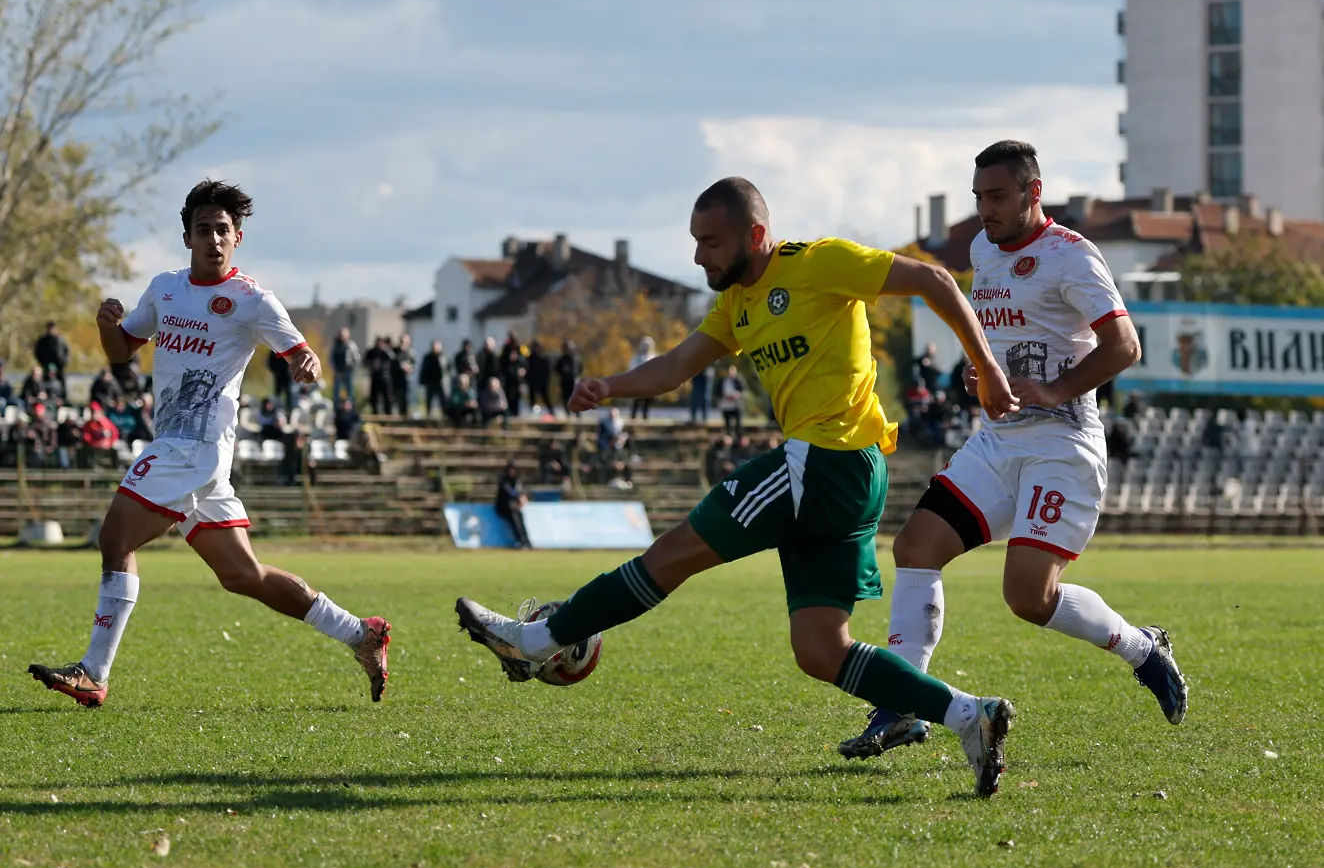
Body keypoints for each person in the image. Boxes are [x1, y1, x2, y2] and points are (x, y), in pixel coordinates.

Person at [456, 175, 1021, 797]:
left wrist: (987, 367)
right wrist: (610, 385)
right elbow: (676, 367)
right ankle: (972, 715)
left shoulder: (820, 262)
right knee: (819, 649)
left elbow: (934, 280)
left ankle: (536, 640)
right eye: (696, 242)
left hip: (826, 459)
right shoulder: (736, 304)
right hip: (845, 477)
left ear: (756, 234)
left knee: (673, 554)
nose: (700, 256)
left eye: (712, 242)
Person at [838, 140, 1187, 763]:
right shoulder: (982, 249)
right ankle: (902, 705)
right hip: (1000, 441)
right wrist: (984, 375)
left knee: (1027, 597)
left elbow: (1124, 347)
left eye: (997, 197)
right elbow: (998, 336)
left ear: (1034, 191)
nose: (985, 211)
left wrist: (1053, 387)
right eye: (978, 198)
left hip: (1063, 444)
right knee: (916, 546)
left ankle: (1142, 648)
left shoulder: (1072, 256)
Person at [28, 179, 390, 709]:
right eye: (204, 230)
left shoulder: (252, 300)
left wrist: (305, 362)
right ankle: (363, 633)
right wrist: (108, 326)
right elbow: (121, 352)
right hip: (188, 456)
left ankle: (93, 672)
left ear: (237, 238)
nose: (214, 239)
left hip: (192, 449)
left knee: (115, 539)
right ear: (187, 237)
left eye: (223, 230)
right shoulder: (165, 289)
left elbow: (299, 352)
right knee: (243, 575)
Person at [495, 460, 533, 549]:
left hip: (513, 507)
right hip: (503, 507)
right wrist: (519, 497)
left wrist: (523, 496)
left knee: (520, 518)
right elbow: (509, 493)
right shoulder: (504, 481)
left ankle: (526, 541)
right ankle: (520, 541)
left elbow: (521, 491)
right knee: (515, 518)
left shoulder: (516, 481)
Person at [34, 320, 70, 395]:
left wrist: (64, 361)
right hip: (46, 365)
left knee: (61, 382)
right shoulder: (42, 340)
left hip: (59, 365)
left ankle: (63, 398)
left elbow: (66, 351)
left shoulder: (60, 339)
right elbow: (37, 352)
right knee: (45, 382)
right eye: (49, 328)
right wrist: (42, 362)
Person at [81, 402, 120, 467]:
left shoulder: (106, 422)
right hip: (94, 446)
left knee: (116, 449)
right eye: (93, 412)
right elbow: (86, 437)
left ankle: (116, 467)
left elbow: (115, 433)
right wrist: (95, 443)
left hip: (107, 445)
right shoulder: (89, 424)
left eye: (96, 412)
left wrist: (110, 443)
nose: (95, 414)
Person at [330, 327, 360, 406]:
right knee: (336, 393)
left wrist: (352, 369)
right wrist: (334, 368)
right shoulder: (336, 346)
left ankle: (351, 409)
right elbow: (331, 358)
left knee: (350, 393)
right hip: (338, 372)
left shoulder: (351, 345)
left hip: (347, 371)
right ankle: (337, 410)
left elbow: (356, 358)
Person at [628, 337, 658, 419]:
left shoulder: (653, 357)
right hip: (638, 381)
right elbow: (631, 367)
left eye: (648, 345)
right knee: (637, 400)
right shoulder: (637, 357)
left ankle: (645, 417)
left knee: (647, 401)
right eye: (645, 345)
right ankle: (633, 417)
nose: (646, 347)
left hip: (649, 382)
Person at [419, 341, 449, 418]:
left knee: (444, 400)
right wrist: (422, 381)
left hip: (441, 382)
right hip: (431, 382)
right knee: (429, 400)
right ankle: (428, 416)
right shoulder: (428, 357)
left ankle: (445, 415)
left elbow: (448, 369)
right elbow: (424, 369)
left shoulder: (444, 357)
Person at [364, 336, 394, 415]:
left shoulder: (386, 352)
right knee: (374, 398)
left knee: (387, 398)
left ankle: (388, 415)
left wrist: (386, 350)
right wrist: (371, 365)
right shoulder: (372, 352)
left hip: (385, 378)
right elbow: (365, 362)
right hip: (375, 378)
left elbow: (393, 359)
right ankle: (375, 414)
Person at [499, 333, 526, 418]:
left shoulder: (521, 348)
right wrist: (508, 359)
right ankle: (509, 412)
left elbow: (525, 361)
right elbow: (501, 362)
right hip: (509, 375)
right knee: (508, 394)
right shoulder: (505, 348)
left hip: (518, 377)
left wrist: (523, 369)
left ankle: (517, 412)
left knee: (517, 395)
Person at [716, 364, 745, 436]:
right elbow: (717, 392)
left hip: (736, 405)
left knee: (738, 424)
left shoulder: (738, 380)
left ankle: (739, 437)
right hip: (725, 405)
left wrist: (737, 395)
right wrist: (725, 397)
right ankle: (728, 437)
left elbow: (743, 390)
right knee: (727, 424)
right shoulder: (722, 381)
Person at [392, 333, 416, 417]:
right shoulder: (395, 351)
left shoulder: (411, 353)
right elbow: (393, 363)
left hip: (406, 379)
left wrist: (408, 368)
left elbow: (414, 366)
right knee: (395, 398)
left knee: (406, 398)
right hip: (396, 379)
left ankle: (404, 415)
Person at [526, 340, 553, 413]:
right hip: (533, 381)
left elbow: (547, 371)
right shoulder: (529, 358)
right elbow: (527, 370)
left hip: (541, 382)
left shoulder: (543, 358)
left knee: (545, 397)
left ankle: (551, 412)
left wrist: (546, 380)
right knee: (532, 399)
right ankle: (532, 412)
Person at [555, 340, 581, 413]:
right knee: (565, 398)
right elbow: (557, 369)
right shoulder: (562, 359)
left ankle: (577, 413)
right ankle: (568, 413)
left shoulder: (576, 358)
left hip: (574, 381)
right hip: (565, 381)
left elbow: (580, 369)